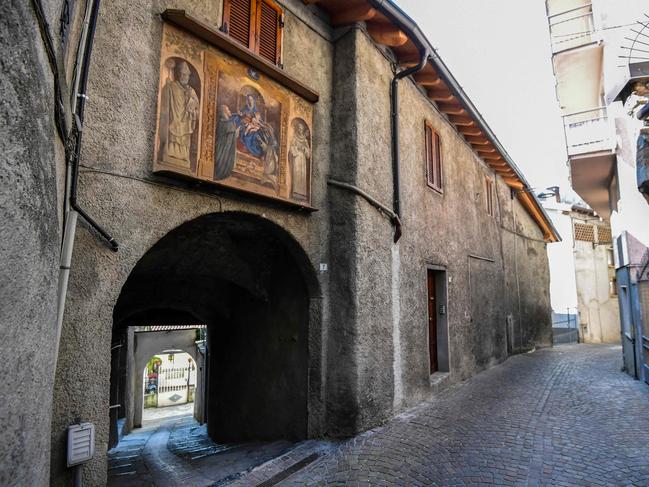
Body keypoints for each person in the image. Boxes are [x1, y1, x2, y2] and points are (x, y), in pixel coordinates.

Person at [158, 59, 200, 169]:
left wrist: (193, 111)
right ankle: (169, 155)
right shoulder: (171, 87)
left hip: (186, 122)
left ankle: (184, 159)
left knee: (184, 143)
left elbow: (197, 110)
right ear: (178, 74)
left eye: (187, 75)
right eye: (182, 74)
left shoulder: (192, 91)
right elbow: (164, 109)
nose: (184, 76)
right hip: (174, 121)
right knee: (172, 140)